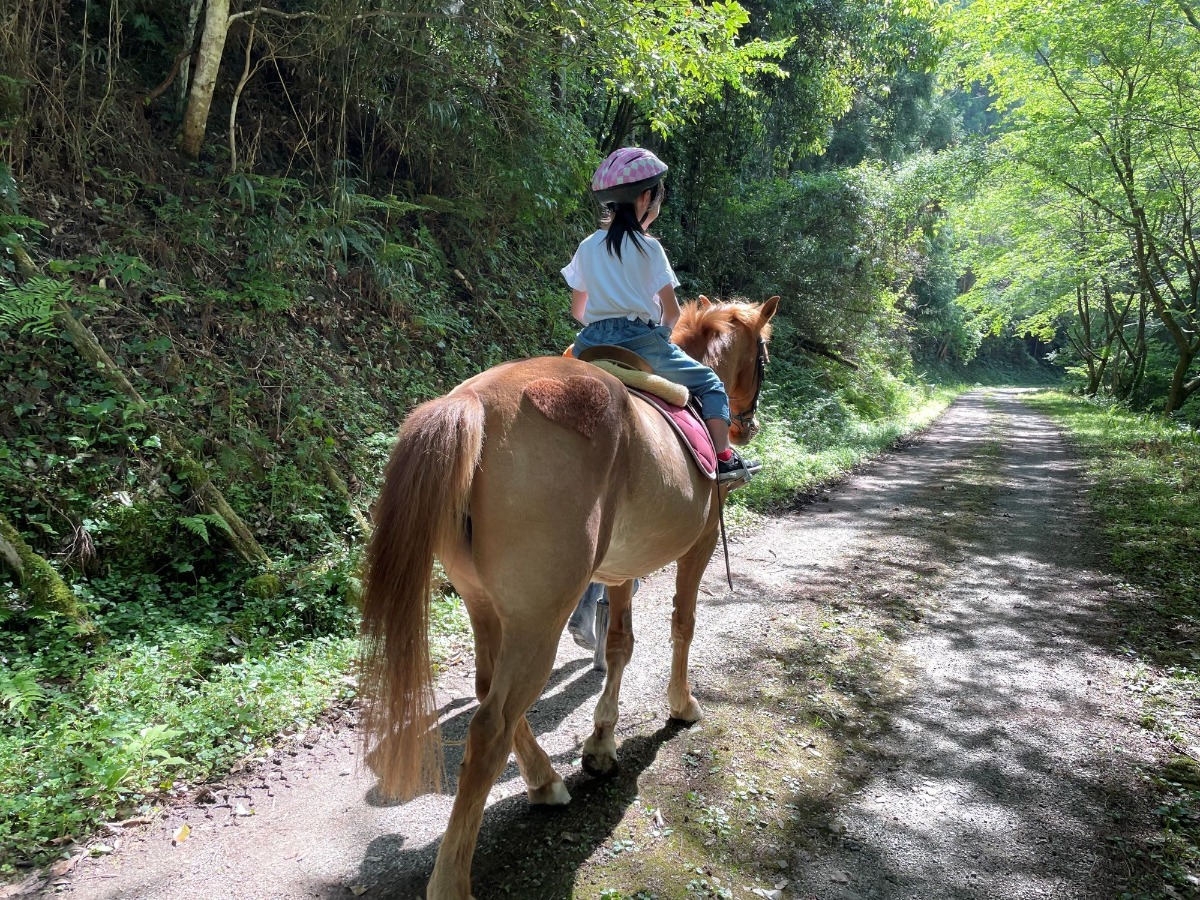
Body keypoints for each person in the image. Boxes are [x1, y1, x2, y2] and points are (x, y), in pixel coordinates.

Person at [562, 146, 761, 484]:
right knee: (712, 384)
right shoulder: (650, 247)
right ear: (645, 197)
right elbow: (670, 314)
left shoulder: (587, 246)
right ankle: (724, 459)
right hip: (641, 341)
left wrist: (601, 328)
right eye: (658, 197)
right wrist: (658, 336)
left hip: (590, 342)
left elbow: (577, 310)